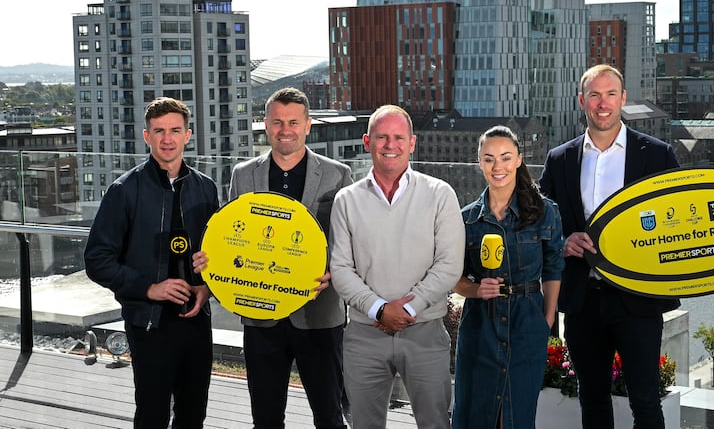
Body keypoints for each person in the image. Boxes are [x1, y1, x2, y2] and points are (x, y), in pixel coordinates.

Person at [539, 64, 714, 429]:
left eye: (611, 94)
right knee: (591, 397)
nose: (603, 104)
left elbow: (696, 227)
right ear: (582, 100)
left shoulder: (656, 154)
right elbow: (539, 223)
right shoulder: (560, 158)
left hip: (638, 300)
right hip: (584, 299)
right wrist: (562, 240)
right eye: (594, 95)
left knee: (646, 400)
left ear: (623, 99)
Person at [193, 87, 353, 429]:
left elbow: (349, 240)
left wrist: (335, 274)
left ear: (308, 125)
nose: (285, 130)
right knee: (265, 419)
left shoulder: (338, 174)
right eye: (277, 121)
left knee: (329, 417)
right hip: (260, 315)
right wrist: (214, 262)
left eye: (293, 122)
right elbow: (233, 237)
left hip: (319, 315)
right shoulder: (243, 174)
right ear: (265, 124)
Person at [84, 97, 219, 428]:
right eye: (159, 131)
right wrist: (149, 288)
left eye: (175, 130)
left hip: (196, 320)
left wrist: (207, 288)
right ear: (147, 136)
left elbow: (218, 254)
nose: (167, 139)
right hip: (149, 323)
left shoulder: (206, 188)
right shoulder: (124, 191)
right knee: (152, 414)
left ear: (188, 135)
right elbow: (97, 259)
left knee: (193, 414)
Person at [329, 104, 465, 429]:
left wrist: (407, 310)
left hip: (426, 331)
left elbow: (449, 266)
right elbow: (341, 269)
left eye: (398, 137)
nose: (391, 145)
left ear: (412, 142)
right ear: (367, 141)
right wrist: (378, 310)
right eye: (382, 137)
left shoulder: (440, 194)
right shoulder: (346, 200)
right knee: (364, 424)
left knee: (435, 423)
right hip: (364, 334)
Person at [451, 126, 564, 429]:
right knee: (476, 413)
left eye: (505, 157)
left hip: (527, 323)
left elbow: (554, 268)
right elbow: (454, 278)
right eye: (489, 159)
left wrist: (548, 319)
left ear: (518, 160)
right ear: (479, 163)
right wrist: (475, 290)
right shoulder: (465, 219)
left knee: (515, 415)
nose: (497, 166)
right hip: (480, 325)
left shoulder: (545, 212)